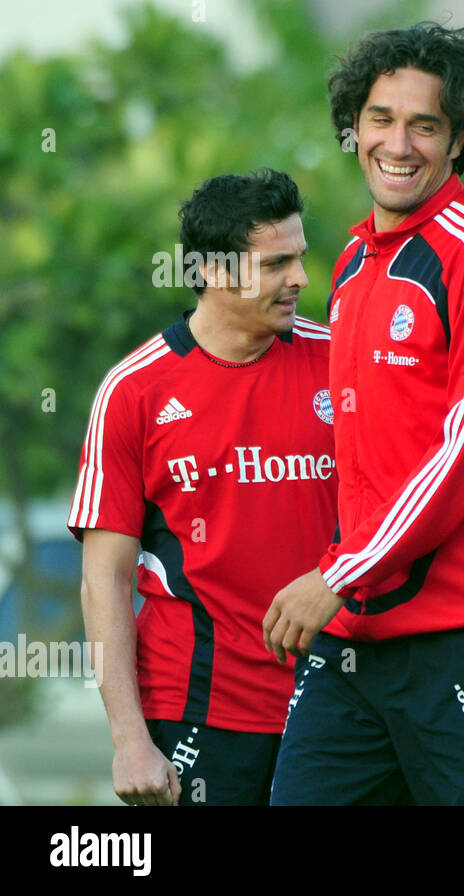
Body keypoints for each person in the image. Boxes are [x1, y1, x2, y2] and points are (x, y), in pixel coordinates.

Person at [262, 22, 464, 805]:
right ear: (354, 127)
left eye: (424, 125)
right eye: (380, 119)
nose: (397, 143)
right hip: (358, 645)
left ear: (458, 138)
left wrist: (339, 572)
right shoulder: (351, 264)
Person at [69, 169, 336, 806]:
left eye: (299, 257)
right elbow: (102, 580)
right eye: (276, 264)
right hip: (198, 716)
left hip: (340, 708)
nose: (299, 278)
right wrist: (128, 739)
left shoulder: (340, 361)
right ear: (215, 273)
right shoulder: (134, 391)